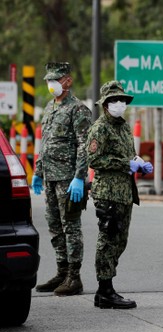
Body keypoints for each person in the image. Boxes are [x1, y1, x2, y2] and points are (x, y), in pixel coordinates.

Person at [87, 80, 153, 309]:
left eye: (122, 100)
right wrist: (124, 163)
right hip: (107, 193)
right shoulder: (100, 128)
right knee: (108, 240)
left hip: (124, 193)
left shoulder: (124, 127)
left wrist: (139, 164)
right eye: (114, 100)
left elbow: (130, 156)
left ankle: (104, 290)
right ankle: (105, 290)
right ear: (105, 104)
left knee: (119, 241)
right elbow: (94, 159)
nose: (119, 104)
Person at [32, 62, 92, 296]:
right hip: (49, 177)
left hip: (68, 179)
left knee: (71, 227)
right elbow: (45, 143)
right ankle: (62, 271)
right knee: (55, 227)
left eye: (55, 80)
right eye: (48, 80)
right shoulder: (50, 107)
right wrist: (38, 172)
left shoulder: (78, 109)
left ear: (68, 81)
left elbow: (84, 146)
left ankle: (74, 277)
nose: (51, 84)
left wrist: (79, 177)